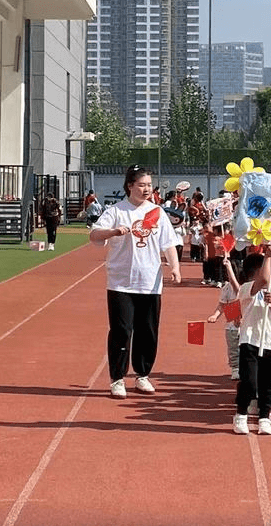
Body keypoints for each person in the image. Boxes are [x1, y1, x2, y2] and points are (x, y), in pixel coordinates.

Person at [90, 165, 182, 399]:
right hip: (121, 282)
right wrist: (112, 232)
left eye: (149, 185)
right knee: (121, 330)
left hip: (150, 281)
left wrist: (175, 266)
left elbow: (168, 244)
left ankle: (142, 375)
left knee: (148, 331)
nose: (146, 189)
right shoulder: (117, 211)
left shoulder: (157, 213)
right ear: (130, 186)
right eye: (141, 185)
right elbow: (94, 235)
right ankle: (117, 378)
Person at [232, 246, 271, 436]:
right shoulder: (247, 289)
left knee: (268, 384)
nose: (270, 278)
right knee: (249, 382)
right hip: (250, 341)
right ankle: (241, 414)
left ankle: (264, 416)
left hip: (270, 343)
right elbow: (262, 279)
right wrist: (269, 255)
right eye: (267, 273)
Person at [207, 258, 243, 380]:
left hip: (245, 325)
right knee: (233, 348)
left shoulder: (245, 286)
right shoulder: (226, 288)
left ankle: (244, 368)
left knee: (244, 348)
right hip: (231, 324)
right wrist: (215, 316)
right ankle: (235, 368)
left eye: (228, 272)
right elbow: (222, 305)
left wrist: (229, 268)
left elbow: (237, 287)